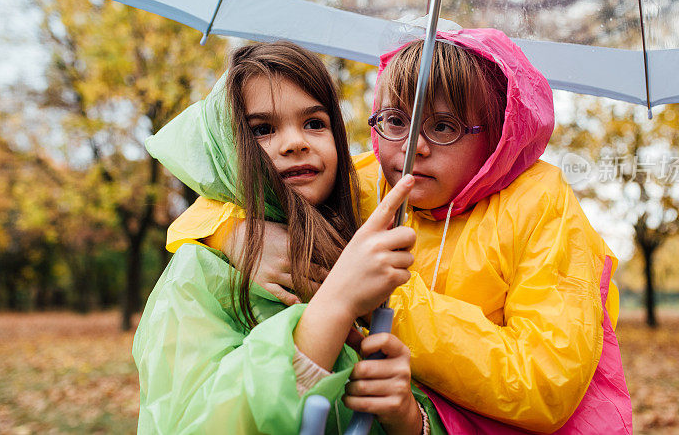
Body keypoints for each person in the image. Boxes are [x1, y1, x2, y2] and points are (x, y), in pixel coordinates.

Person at [172, 29, 633, 433]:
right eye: (396, 121)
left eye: (445, 126)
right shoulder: (370, 181)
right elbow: (224, 191)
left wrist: (386, 297)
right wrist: (234, 231)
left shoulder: (540, 203)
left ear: (496, 136)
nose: (416, 147)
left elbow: (546, 381)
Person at [133, 41, 446, 434]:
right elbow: (196, 422)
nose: (296, 142)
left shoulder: (360, 246)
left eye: (315, 123)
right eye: (262, 129)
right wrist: (334, 305)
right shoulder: (198, 274)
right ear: (229, 148)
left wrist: (407, 419)